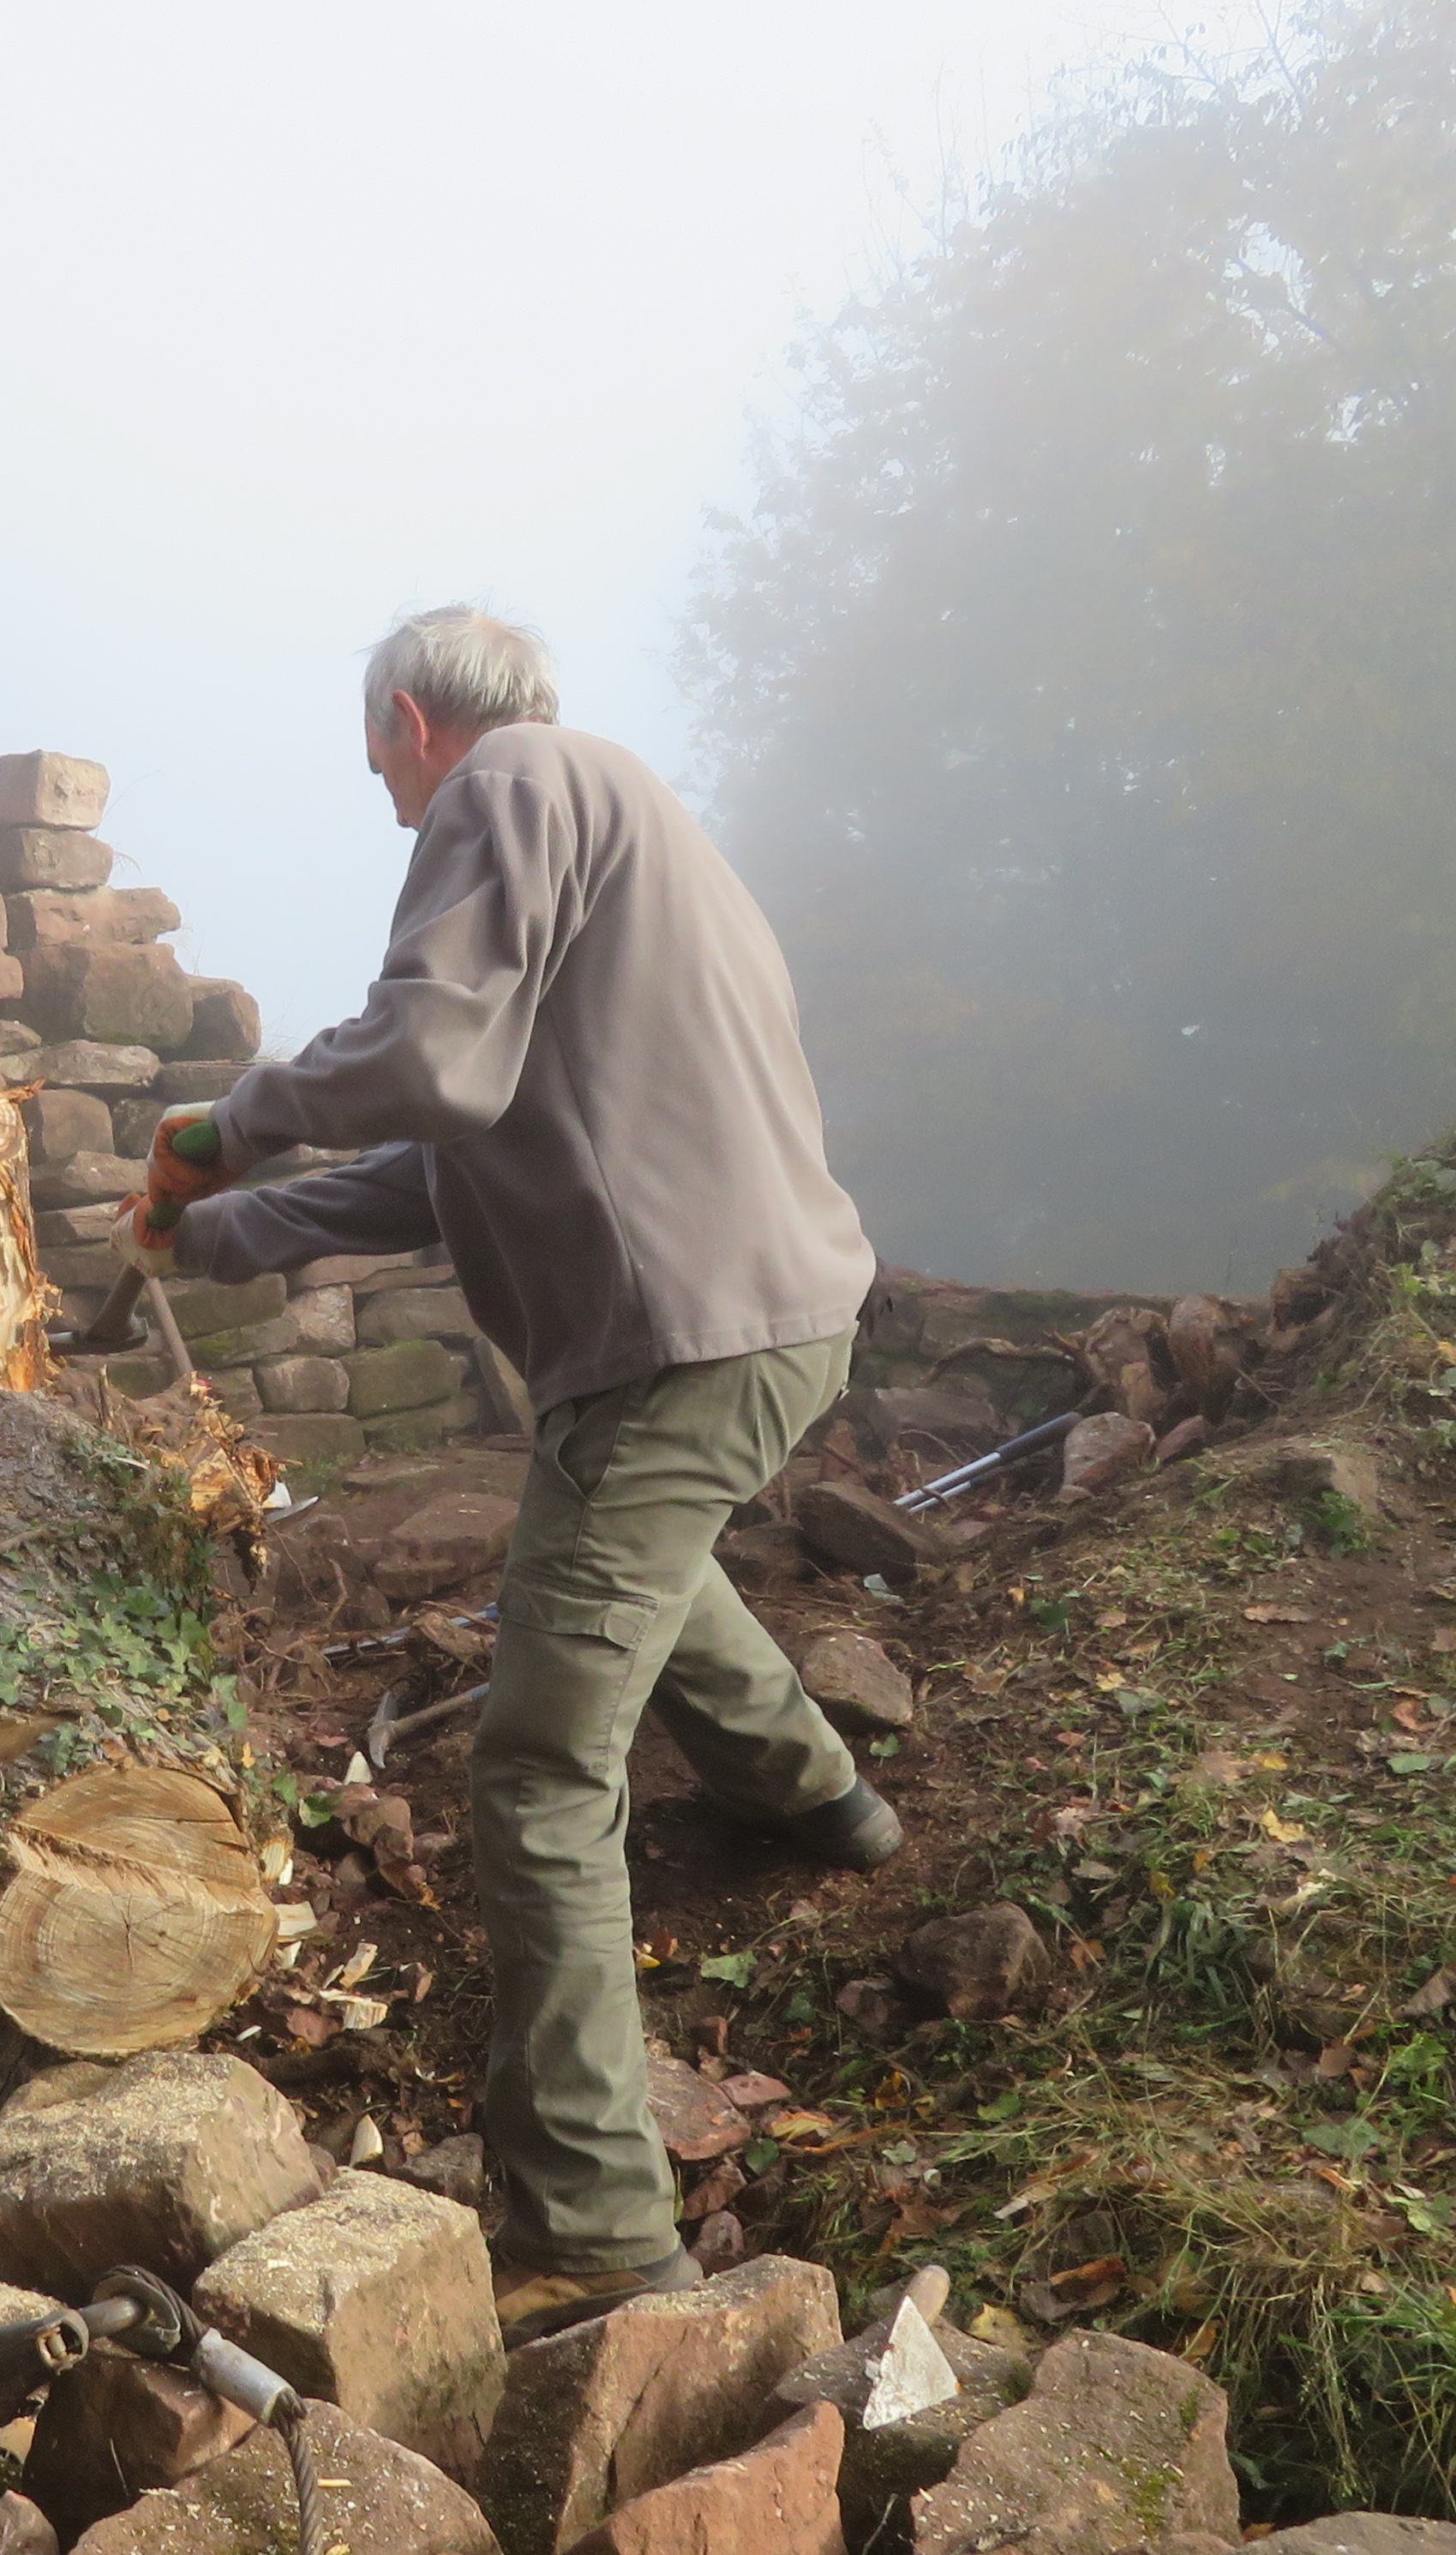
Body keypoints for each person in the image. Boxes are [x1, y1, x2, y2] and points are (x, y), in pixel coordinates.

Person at [121, 607, 896, 2342]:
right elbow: (447, 1156)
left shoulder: (514, 786)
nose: (389, 800)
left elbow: (424, 1061)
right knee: (639, 1564)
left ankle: (600, 2226)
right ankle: (826, 1804)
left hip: (681, 1349)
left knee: (541, 1771)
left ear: (410, 721)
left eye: (378, 763)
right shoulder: (626, 829)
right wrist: (221, 1233)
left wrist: (231, 1121)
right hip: (754, 1329)